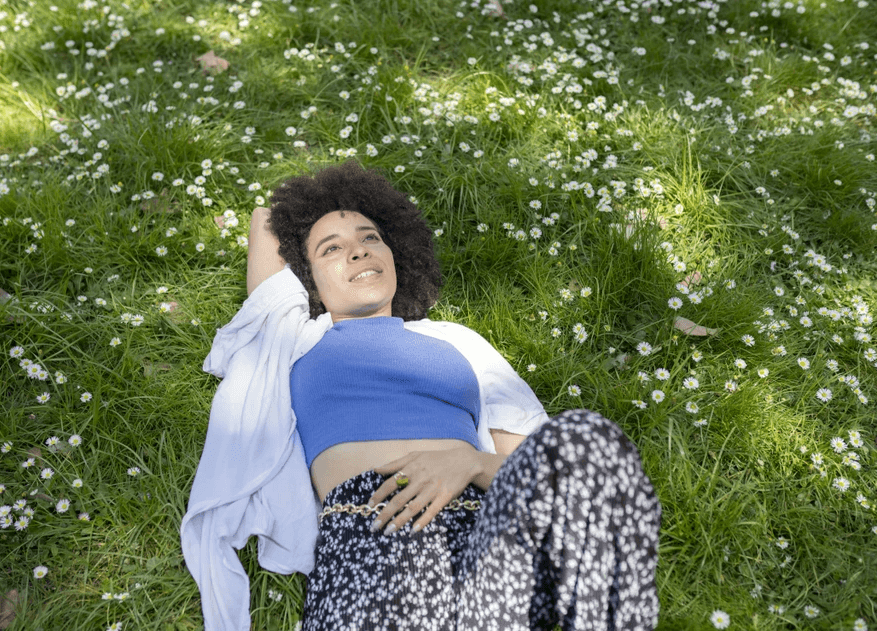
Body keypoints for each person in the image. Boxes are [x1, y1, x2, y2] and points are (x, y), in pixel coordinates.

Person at [182, 159, 661, 631]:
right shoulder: (294, 337)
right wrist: (315, 209)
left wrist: (472, 464)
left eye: (371, 238)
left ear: (396, 254)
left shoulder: (457, 342)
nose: (358, 252)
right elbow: (265, 221)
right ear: (307, 279)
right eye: (331, 249)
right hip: (368, 537)